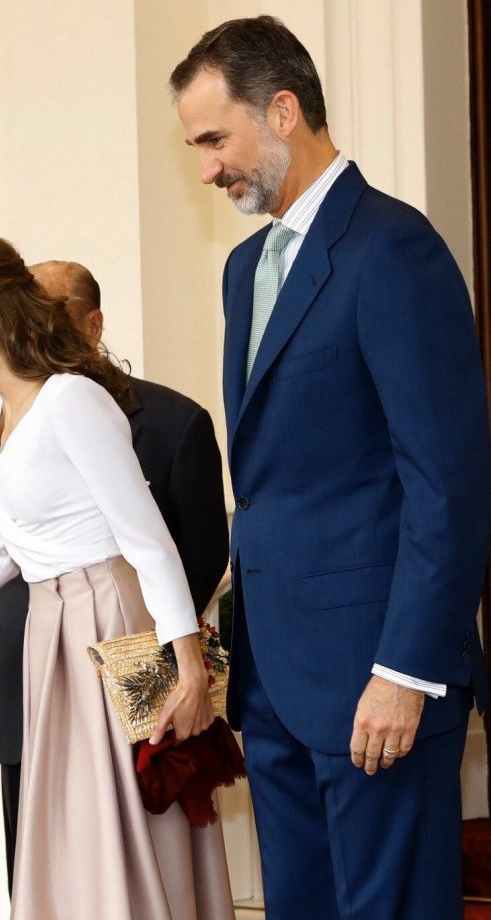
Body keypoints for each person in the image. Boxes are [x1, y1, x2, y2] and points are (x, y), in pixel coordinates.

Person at [170, 16, 491, 920]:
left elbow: (447, 483)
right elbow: (276, 478)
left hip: (374, 682)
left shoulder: (394, 247)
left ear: (282, 110)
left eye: (213, 140)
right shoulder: (244, 268)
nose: (206, 168)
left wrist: (408, 671)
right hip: (273, 681)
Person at [0, 232, 235, 920]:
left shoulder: (72, 400)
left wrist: (189, 671)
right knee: (73, 828)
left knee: (135, 820)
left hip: (112, 620)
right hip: (51, 629)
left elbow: (147, 539)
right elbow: (4, 550)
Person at [0, 259, 229, 892]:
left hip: (132, 667)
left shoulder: (176, 422)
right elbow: (5, 546)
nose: (36, 328)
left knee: (148, 863)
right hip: (27, 666)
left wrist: (164, 660)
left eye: (54, 314)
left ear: (93, 324)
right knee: (39, 867)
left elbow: (196, 556)